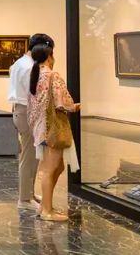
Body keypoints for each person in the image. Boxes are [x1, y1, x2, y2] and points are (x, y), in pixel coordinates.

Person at [27, 41, 81, 221]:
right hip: (52, 127)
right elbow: (61, 102)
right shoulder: (52, 75)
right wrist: (74, 107)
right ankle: (47, 212)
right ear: (49, 56)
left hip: (40, 128)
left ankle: (44, 206)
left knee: (57, 167)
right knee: (50, 169)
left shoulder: (35, 75)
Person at [8, 34, 53, 210]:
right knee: (28, 157)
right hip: (26, 111)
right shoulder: (29, 67)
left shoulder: (19, 63)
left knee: (32, 156)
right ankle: (24, 199)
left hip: (21, 110)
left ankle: (29, 194)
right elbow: (34, 93)